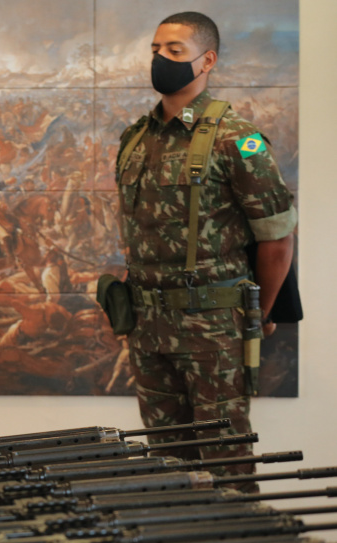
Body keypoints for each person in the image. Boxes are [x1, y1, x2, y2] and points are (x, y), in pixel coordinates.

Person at [115, 12, 296, 488]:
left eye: (175, 51)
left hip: (214, 329)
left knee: (226, 462)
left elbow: (277, 238)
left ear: (207, 60)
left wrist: (256, 315)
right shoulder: (134, 138)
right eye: (156, 49)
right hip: (148, 328)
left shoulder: (240, 139)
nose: (161, 59)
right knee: (167, 465)